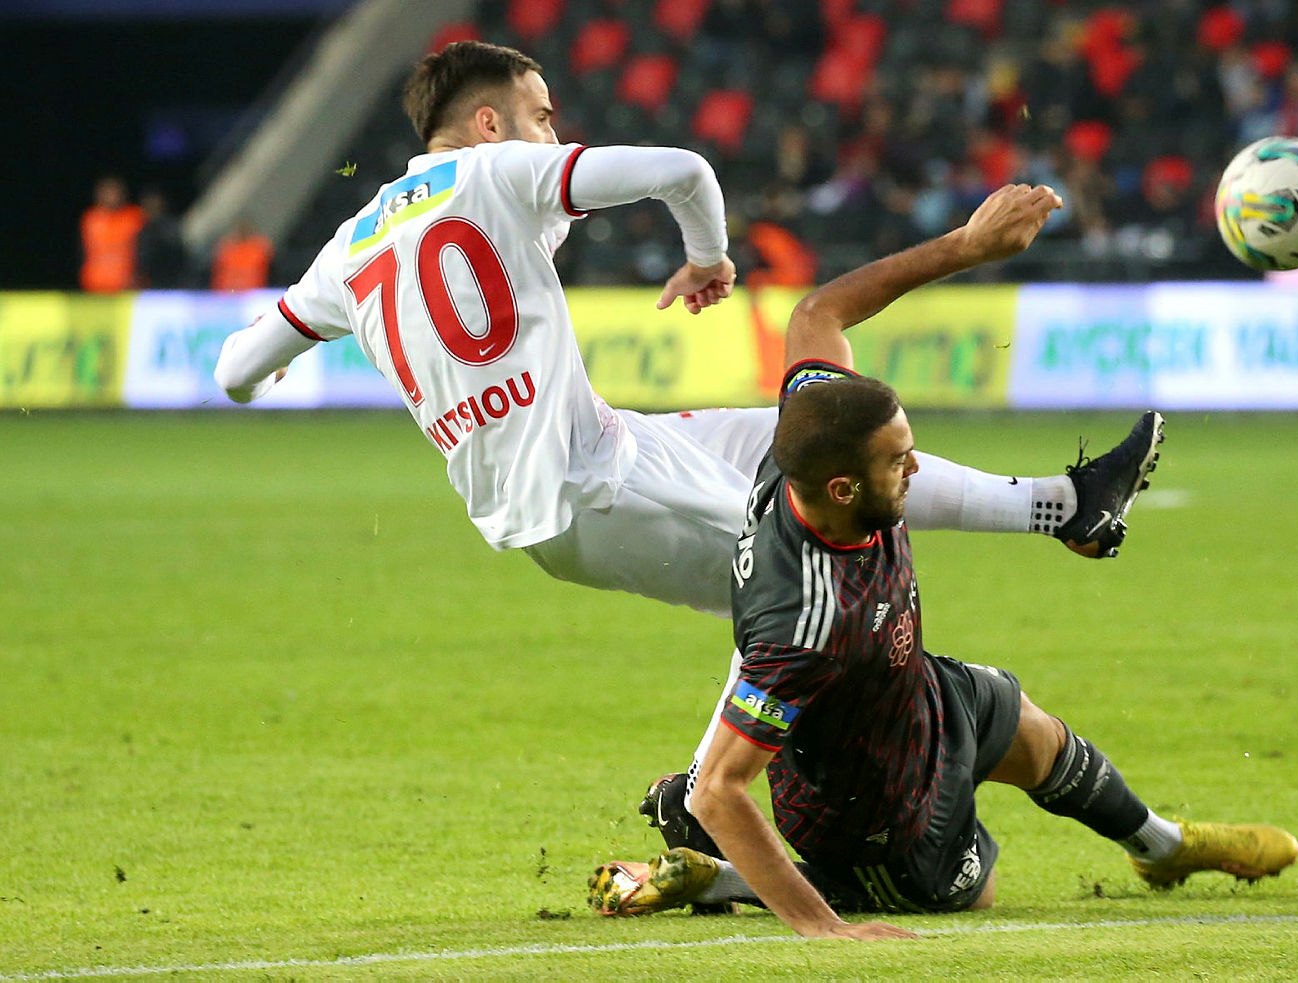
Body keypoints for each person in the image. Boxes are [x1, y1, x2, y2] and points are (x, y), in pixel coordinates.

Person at [211, 42, 1152, 808]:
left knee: (804, 434)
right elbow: (683, 169)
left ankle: (1066, 505)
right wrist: (708, 258)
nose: (554, 133)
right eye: (543, 116)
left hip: (600, 448)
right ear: (489, 123)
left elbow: (232, 368)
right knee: (798, 586)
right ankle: (712, 804)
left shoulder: (348, 245)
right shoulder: (498, 172)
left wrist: (279, 366)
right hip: (587, 493)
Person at [591, 186, 1298, 938]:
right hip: (876, 807)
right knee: (970, 891)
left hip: (912, 689)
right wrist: (823, 932)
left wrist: (965, 247)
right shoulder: (805, 617)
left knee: (1028, 725)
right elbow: (719, 792)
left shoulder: (809, 445)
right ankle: (731, 881)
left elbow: (817, 315)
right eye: (898, 463)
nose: (917, 471)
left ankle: (1161, 847)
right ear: (843, 488)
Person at [80, 176, 145, 293]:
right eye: (107, 192)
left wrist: (137, 276)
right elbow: (82, 252)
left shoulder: (134, 217)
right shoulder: (90, 219)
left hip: (127, 285)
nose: (112, 196)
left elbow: (144, 251)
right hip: (95, 284)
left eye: (115, 192)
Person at [211, 218, 275, 291]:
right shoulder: (225, 248)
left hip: (253, 293)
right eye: (239, 229)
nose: (242, 232)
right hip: (227, 292)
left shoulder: (259, 247)